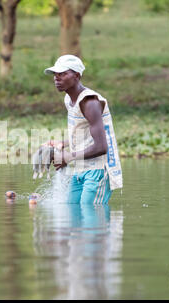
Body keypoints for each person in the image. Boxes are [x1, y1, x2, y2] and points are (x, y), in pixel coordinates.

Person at [43, 55, 123, 204]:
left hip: (99, 170)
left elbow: (101, 146)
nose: (56, 78)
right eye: (55, 74)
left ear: (77, 76)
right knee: (72, 209)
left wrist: (68, 157)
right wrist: (63, 143)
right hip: (81, 168)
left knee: (89, 212)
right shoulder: (69, 99)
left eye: (62, 74)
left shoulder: (90, 102)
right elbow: (85, 133)